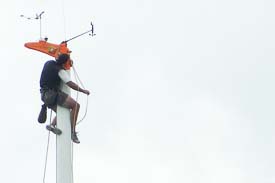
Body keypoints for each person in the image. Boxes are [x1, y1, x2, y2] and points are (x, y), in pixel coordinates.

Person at [39, 53, 90, 144]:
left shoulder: (48, 63)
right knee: (76, 106)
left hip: (44, 96)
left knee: (62, 113)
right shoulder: (60, 71)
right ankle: (73, 132)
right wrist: (83, 91)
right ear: (65, 62)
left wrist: (66, 61)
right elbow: (70, 84)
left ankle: (52, 125)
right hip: (53, 94)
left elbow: (57, 58)